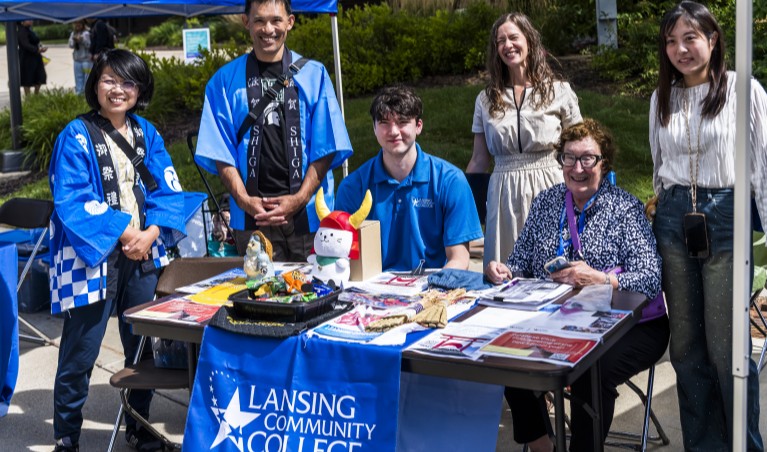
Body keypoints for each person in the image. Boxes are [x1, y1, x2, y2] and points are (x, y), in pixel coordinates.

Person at [486, 119, 669, 452]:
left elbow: (651, 277)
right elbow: (522, 260)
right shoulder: (546, 203)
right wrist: (505, 271)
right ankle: (544, 446)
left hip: (631, 324)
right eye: (569, 158)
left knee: (590, 371)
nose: (578, 168)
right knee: (505, 357)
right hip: (560, 320)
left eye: (588, 159)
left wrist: (601, 279)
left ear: (604, 162)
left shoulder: (624, 208)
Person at [49, 49, 186, 452]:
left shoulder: (147, 132)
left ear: (139, 89)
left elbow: (169, 188)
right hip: (91, 259)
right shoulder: (75, 135)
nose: (118, 89)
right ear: (95, 83)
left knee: (141, 347)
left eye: (128, 82)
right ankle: (67, 436)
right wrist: (128, 234)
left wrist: (153, 232)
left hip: (144, 256)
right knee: (80, 350)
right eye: (109, 79)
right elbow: (72, 197)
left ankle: (139, 426)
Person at [650, 2, 767, 450]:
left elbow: (761, 167)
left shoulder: (743, 89)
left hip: (724, 215)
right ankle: (703, 445)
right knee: (685, 348)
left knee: (727, 349)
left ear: (714, 39)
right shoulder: (662, 98)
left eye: (690, 38)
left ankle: (743, 444)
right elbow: (661, 168)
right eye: (671, 41)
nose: (680, 49)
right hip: (674, 218)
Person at [195, 0, 352, 260]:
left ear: (290, 22)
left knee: (318, 290)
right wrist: (246, 202)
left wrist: (299, 199)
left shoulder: (314, 75)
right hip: (253, 218)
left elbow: (327, 146)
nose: (268, 29)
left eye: (276, 20)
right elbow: (220, 151)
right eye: (259, 20)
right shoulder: (223, 82)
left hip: (309, 214)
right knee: (261, 294)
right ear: (246, 22)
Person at [466, 12, 582, 269]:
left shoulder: (559, 91)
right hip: (503, 191)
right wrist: (463, 208)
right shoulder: (485, 99)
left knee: (555, 271)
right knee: (505, 272)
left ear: (529, 40)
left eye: (513, 37)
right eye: (500, 41)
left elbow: (582, 148)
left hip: (550, 184)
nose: (507, 45)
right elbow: (479, 159)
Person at [336, 85, 483, 272]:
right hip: (370, 290)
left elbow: (459, 259)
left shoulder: (451, 181)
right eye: (384, 123)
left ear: (418, 126)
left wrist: (431, 291)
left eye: (402, 122)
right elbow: (340, 256)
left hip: (431, 289)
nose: (393, 131)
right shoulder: (352, 187)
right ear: (374, 128)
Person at [17, 20, 47, 95]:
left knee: (40, 76)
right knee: (27, 78)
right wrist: (37, 49)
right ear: (22, 21)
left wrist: (40, 46)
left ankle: (36, 95)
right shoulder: (22, 31)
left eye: (31, 19)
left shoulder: (29, 30)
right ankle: (28, 98)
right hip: (27, 59)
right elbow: (25, 44)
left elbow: (36, 41)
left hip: (35, 58)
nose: (31, 21)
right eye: (28, 19)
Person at [68, 20, 92, 95]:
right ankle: (79, 93)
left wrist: (82, 40)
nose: (77, 25)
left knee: (87, 79)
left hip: (86, 60)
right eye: (75, 24)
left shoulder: (86, 33)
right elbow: (70, 45)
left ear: (83, 24)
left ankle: (87, 95)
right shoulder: (73, 33)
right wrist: (75, 40)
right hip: (77, 60)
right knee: (78, 78)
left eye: (79, 24)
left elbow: (89, 45)